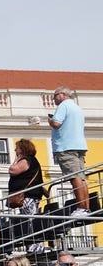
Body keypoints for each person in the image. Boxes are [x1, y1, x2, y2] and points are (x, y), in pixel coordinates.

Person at [48, 86, 90, 216]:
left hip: (66, 147)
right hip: (79, 146)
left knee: (74, 177)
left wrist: (50, 120)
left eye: (55, 96)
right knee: (81, 178)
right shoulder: (77, 107)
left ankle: (81, 208)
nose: (53, 99)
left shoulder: (63, 106)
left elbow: (56, 123)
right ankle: (86, 207)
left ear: (62, 95)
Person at [6, 138, 45, 215]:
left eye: (17, 148)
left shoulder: (26, 160)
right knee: (28, 217)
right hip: (28, 195)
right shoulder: (31, 160)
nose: (15, 150)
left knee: (30, 217)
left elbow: (13, 170)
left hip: (28, 196)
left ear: (22, 149)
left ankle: (33, 227)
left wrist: (16, 160)